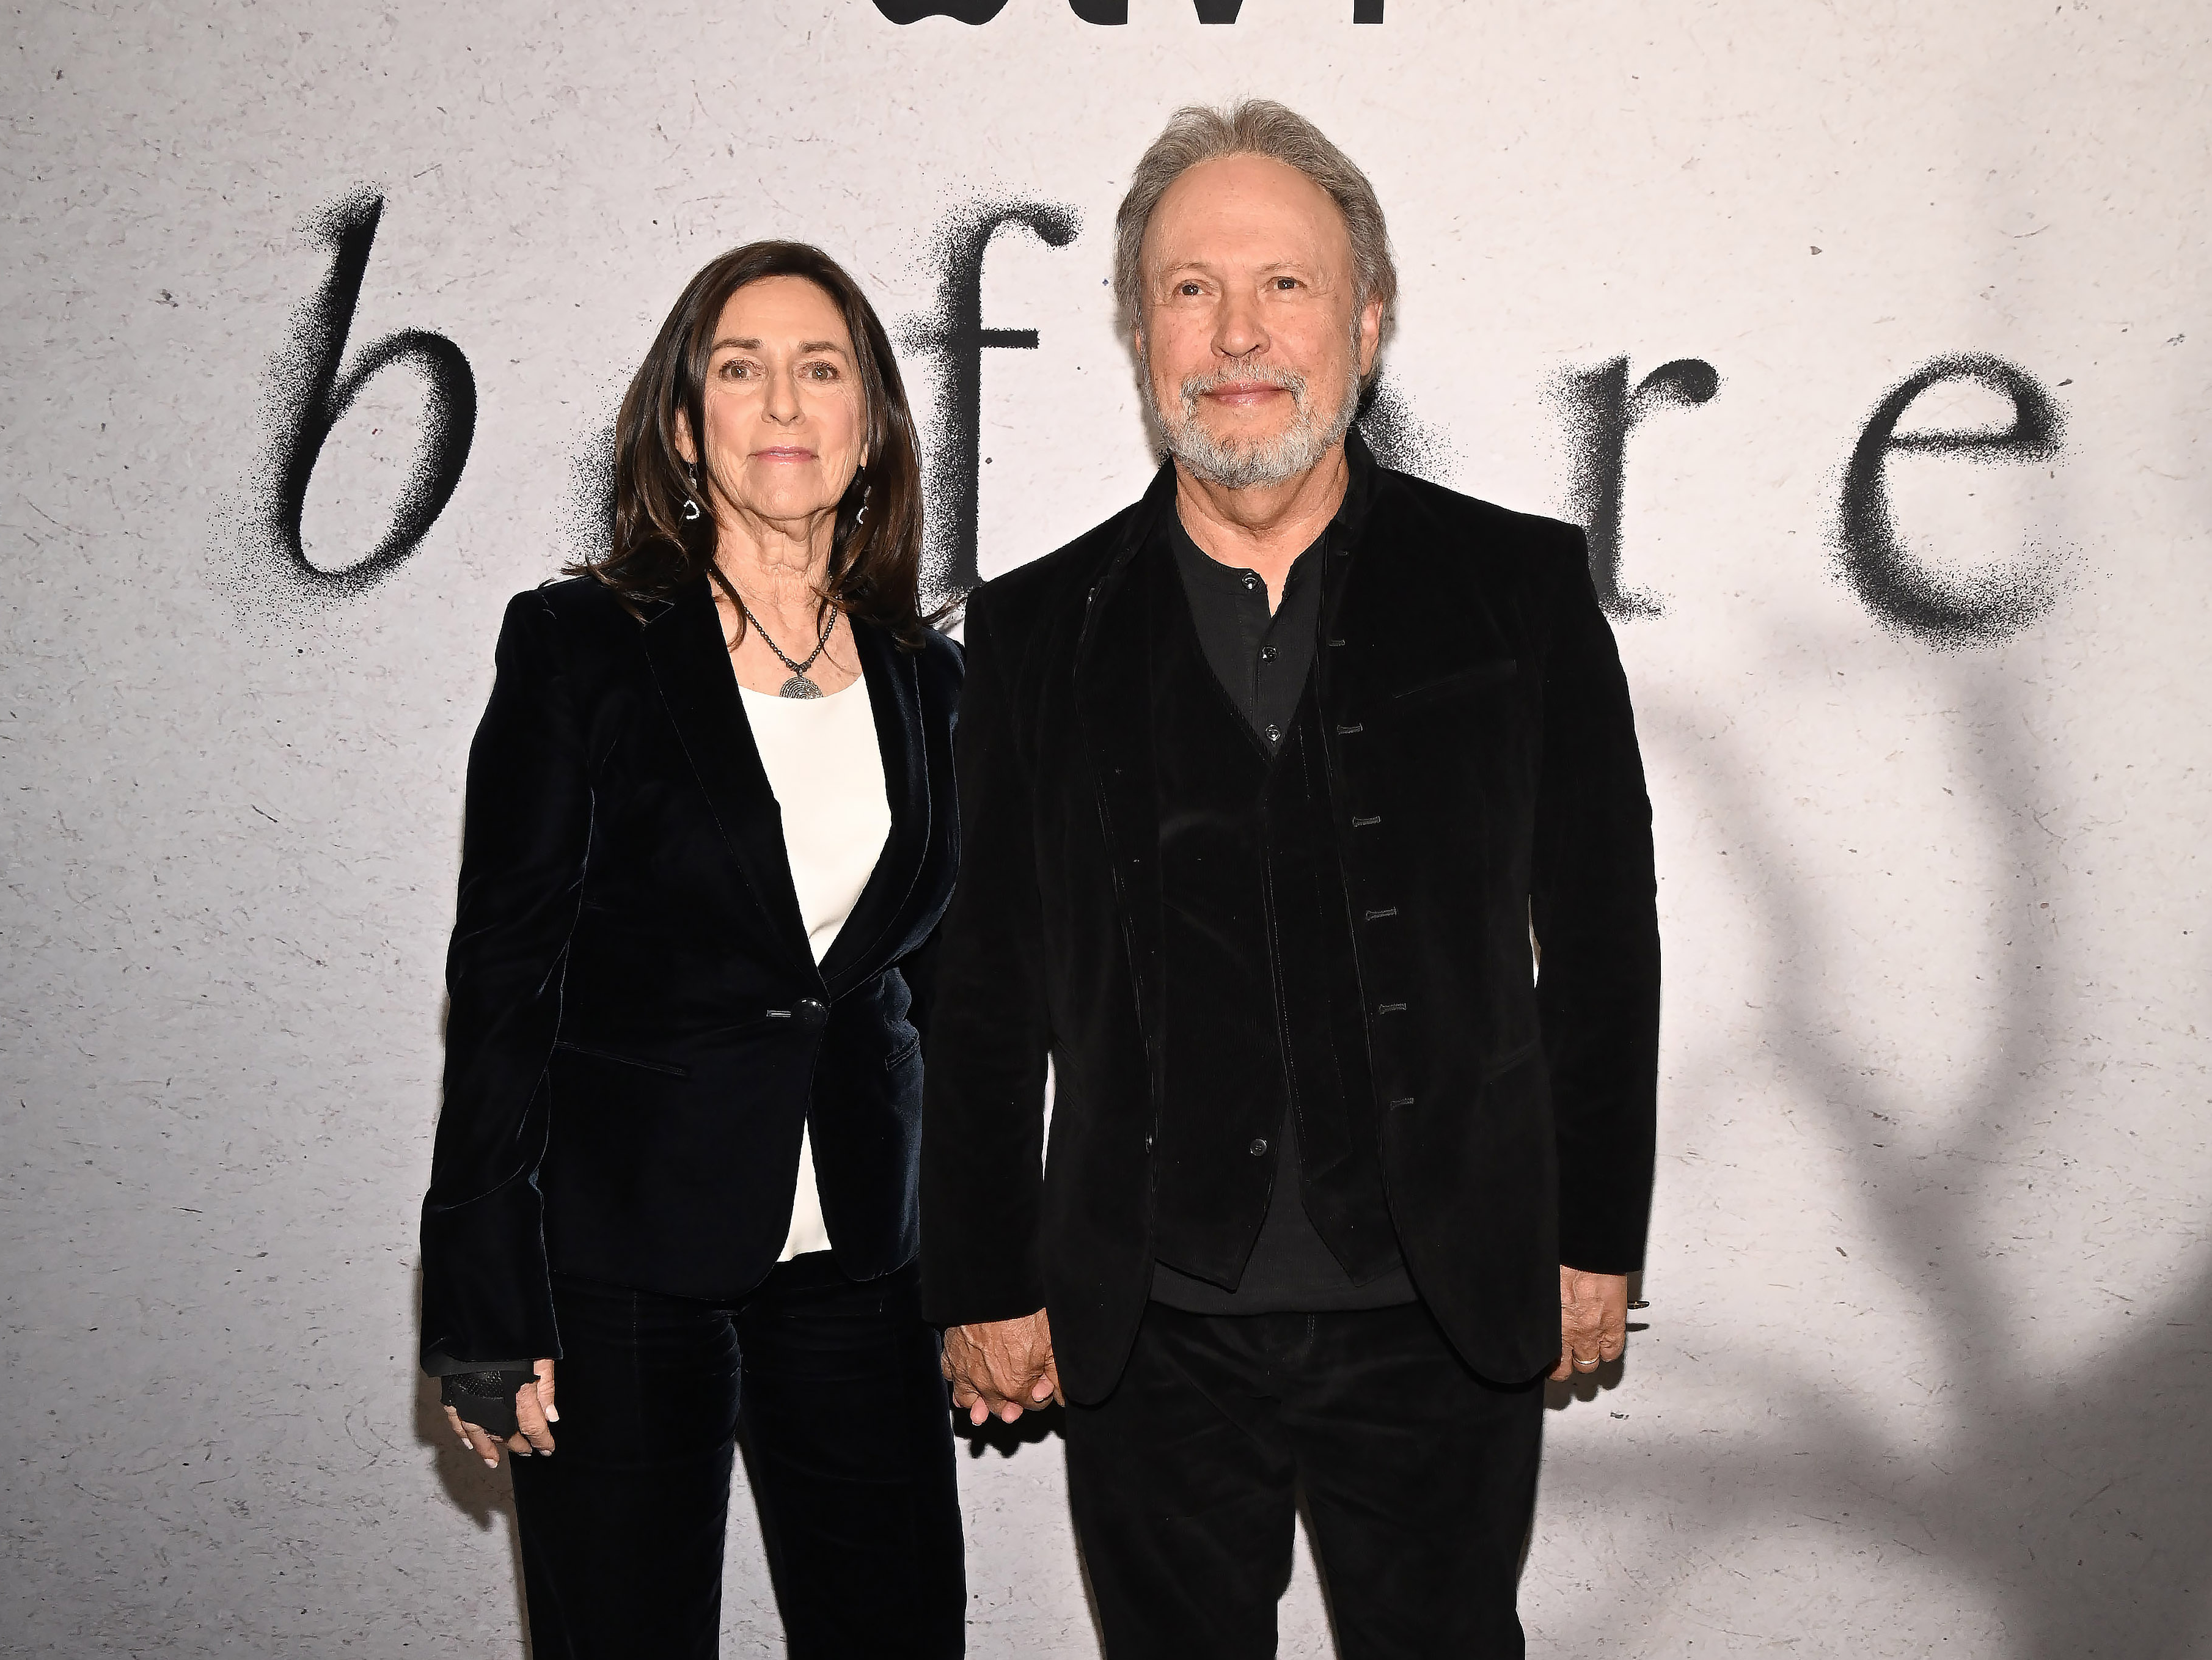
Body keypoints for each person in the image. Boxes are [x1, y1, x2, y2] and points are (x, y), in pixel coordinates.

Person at [918, 102, 1660, 1658]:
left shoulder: (1517, 589)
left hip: (1442, 1310)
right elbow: (984, 986)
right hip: (1149, 1330)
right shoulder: (1040, 630)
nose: (1238, 332)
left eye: (1288, 286)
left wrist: (1595, 1236)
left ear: (1367, 319)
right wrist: (981, 1269)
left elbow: (1600, 942)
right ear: (1139, 332)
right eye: (1191, 289)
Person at [419, 241, 967, 1659]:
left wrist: (990, 1267)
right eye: (740, 367)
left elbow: (944, 993)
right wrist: (486, 1291)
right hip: (621, 1258)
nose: (782, 397)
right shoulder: (580, 647)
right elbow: (501, 978)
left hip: (859, 1258)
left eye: (822, 366)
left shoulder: (930, 673)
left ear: (871, 425)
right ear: (684, 422)